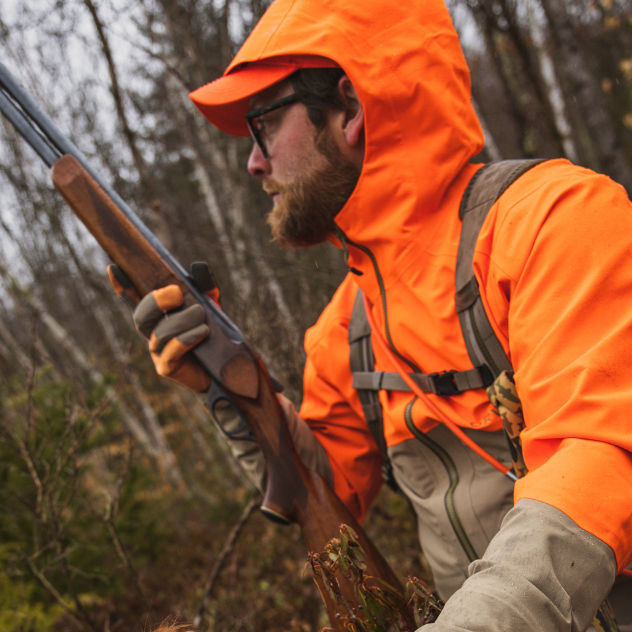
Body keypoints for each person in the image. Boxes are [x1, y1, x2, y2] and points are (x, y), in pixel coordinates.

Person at [116, 0, 632, 629]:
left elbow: (600, 459)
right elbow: (328, 493)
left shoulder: (554, 219)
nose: (255, 161)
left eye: (264, 125)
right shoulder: (346, 325)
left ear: (350, 109)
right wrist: (226, 386)